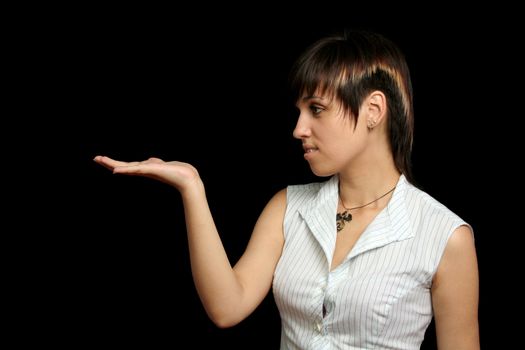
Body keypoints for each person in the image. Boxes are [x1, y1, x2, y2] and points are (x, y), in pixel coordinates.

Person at [94, 30, 479, 349]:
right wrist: (192, 187)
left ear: (373, 110)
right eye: (299, 111)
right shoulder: (288, 207)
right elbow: (227, 307)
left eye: (316, 109)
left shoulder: (445, 236)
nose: (298, 129)